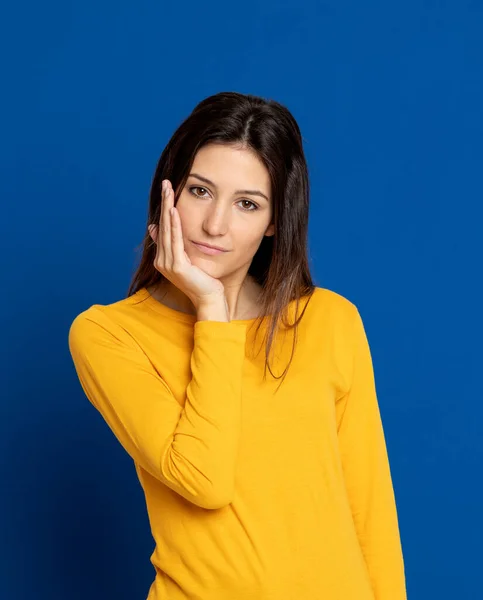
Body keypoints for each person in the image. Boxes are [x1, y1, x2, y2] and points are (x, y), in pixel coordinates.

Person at [68, 91, 407, 599]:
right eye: (200, 191)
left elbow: (370, 510)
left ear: (273, 223)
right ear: (169, 195)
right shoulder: (110, 335)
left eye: (247, 203)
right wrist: (210, 306)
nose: (215, 225)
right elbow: (204, 480)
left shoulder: (329, 320)